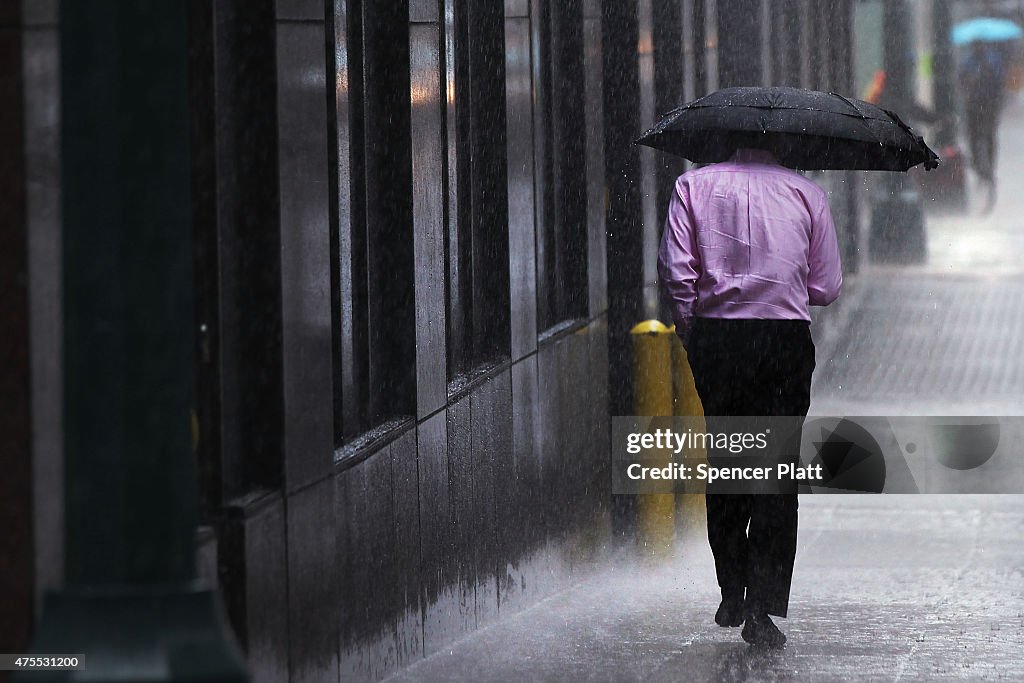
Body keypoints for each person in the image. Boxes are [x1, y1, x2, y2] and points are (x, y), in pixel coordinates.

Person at [657, 147, 842, 647]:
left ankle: (731, 588)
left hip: (719, 340)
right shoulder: (807, 194)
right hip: (783, 340)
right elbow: (826, 287)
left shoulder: (692, 187)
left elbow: (678, 274)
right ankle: (763, 605)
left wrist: (694, 332)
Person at [960, 41, 1007, 207]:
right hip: (974, 105)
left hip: (988, 105)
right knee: (973, 136)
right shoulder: (968, 62)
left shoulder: (992, 60)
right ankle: (978, 165)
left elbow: (999, 81)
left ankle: (989, 166)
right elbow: (962, 82)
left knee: (989, 135)